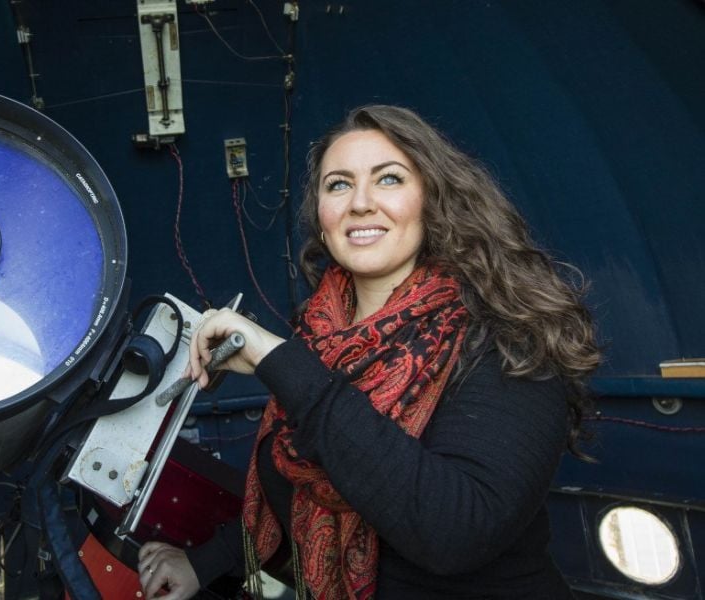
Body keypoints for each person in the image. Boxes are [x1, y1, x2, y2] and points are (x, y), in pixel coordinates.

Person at [136, 105, 599, 599]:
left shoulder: (509, 337)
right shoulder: (318, 336)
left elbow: (456, 533)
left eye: (389, 179)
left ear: (434, 198)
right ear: (320, 213)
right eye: (338, 184)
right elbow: (299, 494)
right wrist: (201, 564)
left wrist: (285, 365)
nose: (360, 203)